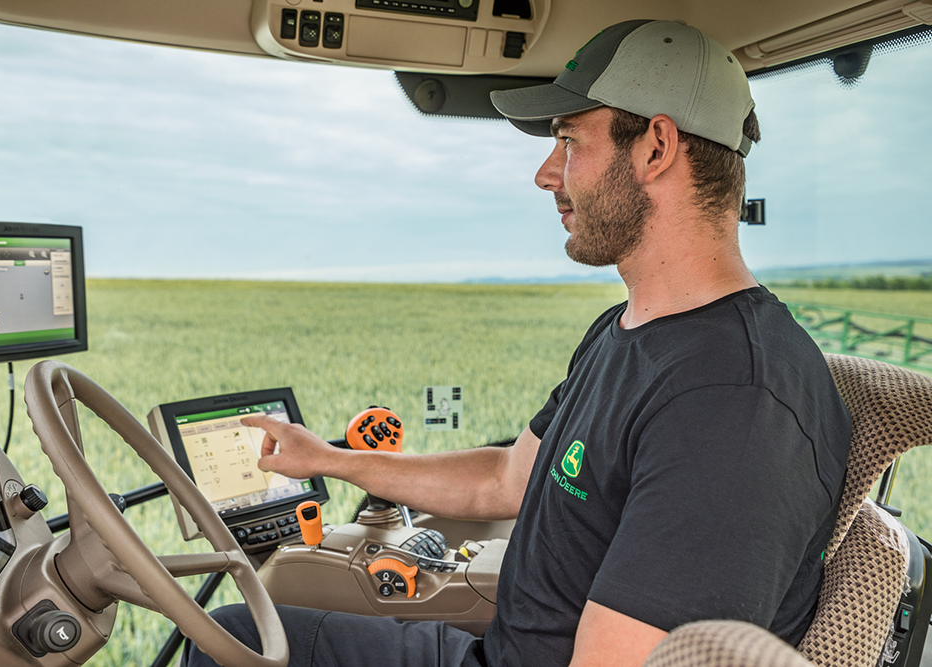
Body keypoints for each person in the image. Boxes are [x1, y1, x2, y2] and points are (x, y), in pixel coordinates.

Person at [182, 19, 850, 667]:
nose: (545, 174)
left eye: (568, 142)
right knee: (233, 634)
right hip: (494, 647)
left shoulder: (731, 406)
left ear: (656, 147)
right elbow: (504, 478)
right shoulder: (630, 331)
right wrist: (329, 459)